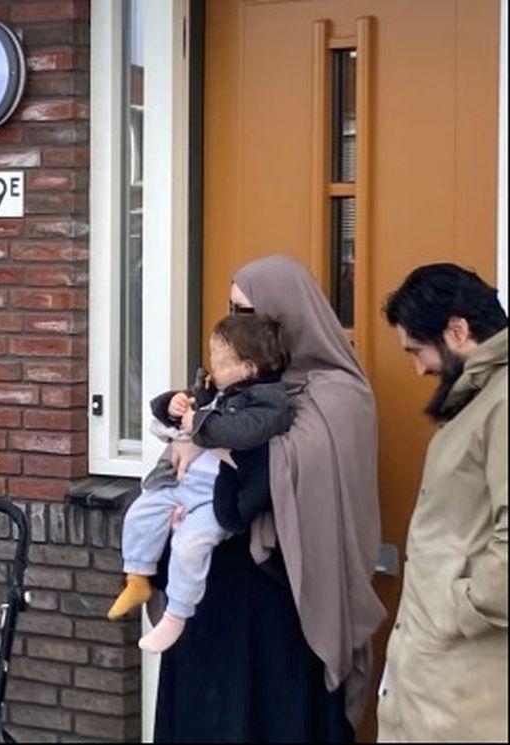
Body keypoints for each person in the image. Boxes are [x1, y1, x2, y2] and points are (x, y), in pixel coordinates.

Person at [154, 254, 385, 742]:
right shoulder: (239, 383)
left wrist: (209, 441)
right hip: (213, 589)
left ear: (285, 316)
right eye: (232, 311)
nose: (239, 325)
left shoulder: (339, 393)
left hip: (285, 597)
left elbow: (296, 472)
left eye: (249, 314)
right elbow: (183, 447)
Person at [108, 313, 293, 653]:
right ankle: (137, 577)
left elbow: (242, 432)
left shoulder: (269, 401)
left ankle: (176, 615)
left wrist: (199, 423)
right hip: (186, 483)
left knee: (190, 546)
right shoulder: (217, 389)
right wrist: (173, 405)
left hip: (217, 496)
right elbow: (184, 413)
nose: (212, 367)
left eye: (221, 362)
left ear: (249, 368)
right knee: (140, 512)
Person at [378, 263, 507, 742]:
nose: (418, 368)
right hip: (443, 676)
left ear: (457, 329)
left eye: (418, 349)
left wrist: (462, 608)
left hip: (469, 683)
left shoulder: (502, 399)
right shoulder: (480, 398)